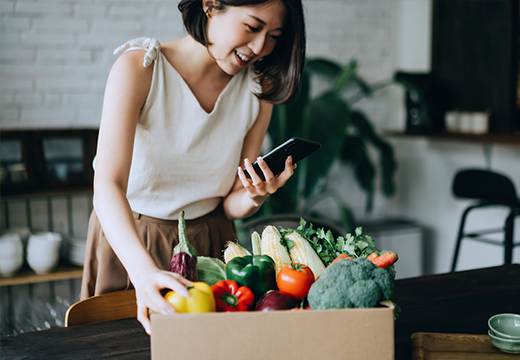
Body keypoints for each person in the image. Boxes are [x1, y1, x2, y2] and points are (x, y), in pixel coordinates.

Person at [81, 0, 306, 334]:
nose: (261, 48)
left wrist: (257, 194)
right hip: (133, 241)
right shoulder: (140, 68)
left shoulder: (257, 94)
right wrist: (143, 272)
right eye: (253, 27)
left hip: (212, 242)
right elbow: (107, 186)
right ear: (211, 6)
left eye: (274, 35)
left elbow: (230, 203)